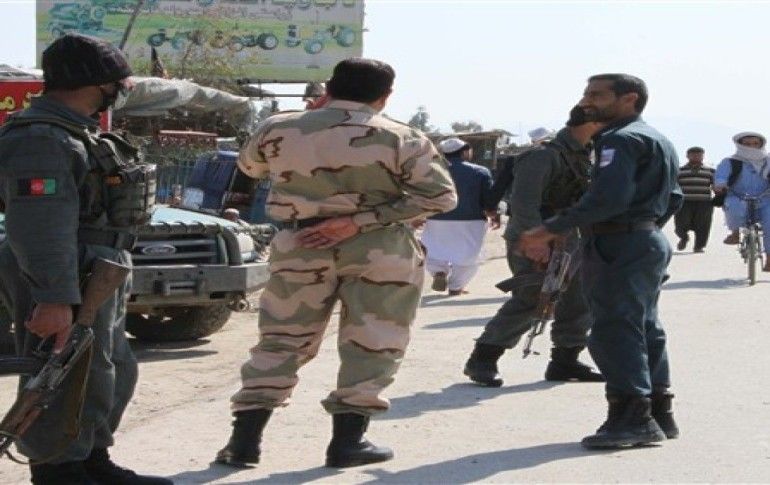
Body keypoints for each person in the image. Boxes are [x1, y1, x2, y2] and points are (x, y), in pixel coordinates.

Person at [215, 58, 457, 469]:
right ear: (385, 96)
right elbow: (442, 197)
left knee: (281, 339)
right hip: (381, 249)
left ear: (328, 88)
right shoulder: (404, 137)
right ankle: (348, 443)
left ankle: (243, 443)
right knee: (374, 340)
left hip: (301, 243)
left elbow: (250, 167)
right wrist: (359, 221)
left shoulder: (278, 127)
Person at [0, 34, 170, 484]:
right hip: (65, 269)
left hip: (97, 269)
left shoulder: (77, 131)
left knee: (106, 369)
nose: (123, 89)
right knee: (62, 372)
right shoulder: (41, 138)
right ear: (97, 83)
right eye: (119, 81)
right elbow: (38, 225)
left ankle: (91, 458)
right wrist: (54, 298)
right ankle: (57, 469)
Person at [518, 74, 683, 449]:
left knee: (613, 329)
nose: (586, 101)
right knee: (644, 326)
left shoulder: (618, 139)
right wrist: (645, 230)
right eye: (585, 93)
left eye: (597, 95)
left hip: (618, 242)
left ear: (629, 99)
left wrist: (549, 229)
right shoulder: (657, 138)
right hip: (644, 240)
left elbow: (607, 199)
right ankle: (659, 410)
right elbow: (674, 198)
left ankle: (631, 417)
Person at [463, 107, 604, 387]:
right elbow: (524, 203)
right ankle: (483, 358)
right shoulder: (542, 155)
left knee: (578, 299)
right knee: (533, 298)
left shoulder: (582, 154)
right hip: (535, 237)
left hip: (569, 237)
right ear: (593, 123)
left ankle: (566, 359)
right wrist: (536, 242)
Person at [420, 138, 497, 296]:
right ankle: (456, 287)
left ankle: (439, 271)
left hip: (436, 218)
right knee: (468, 257)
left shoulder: (431, 170)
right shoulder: (480, 171)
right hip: (471, 219)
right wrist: (494, 213)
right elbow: (489, 198)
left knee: (434, 249)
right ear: (465, 152)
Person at [714, 132, 770, 271]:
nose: (751, 146)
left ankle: (769, 259)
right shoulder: (730, 161)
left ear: (761, 145)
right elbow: (721, 176)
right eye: (747, 144)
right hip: (738, 196)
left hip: (765, 198)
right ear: (740, 145)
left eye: (755, 144)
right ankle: (735, 233)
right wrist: (720, 185)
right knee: (733, 207)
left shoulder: (767, 161)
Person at [674, 147, 715, 252]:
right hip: (684, 202)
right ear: (687, 156)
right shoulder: (679, 171)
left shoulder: (710, 171)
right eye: (693, 155)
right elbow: (674, 186)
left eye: (699, 155)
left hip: (704, 202)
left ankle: (699, 246)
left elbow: (716, 186)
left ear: (703, 156)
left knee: (703, 225)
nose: (696, 157)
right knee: (680, 224)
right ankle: (684, 238)